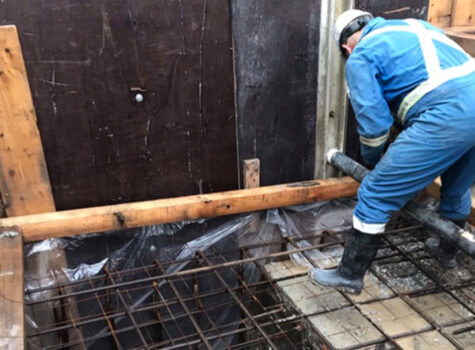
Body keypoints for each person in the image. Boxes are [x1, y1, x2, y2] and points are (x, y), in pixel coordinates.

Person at [309, 9, 475, 294]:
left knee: (375, 194)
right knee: (457, 186)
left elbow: (374, 125)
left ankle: (349, 275)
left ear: (346, 47)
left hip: (447, 116)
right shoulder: (417, 26)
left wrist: (376, 163)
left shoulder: (361, 56)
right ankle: (446, 253)